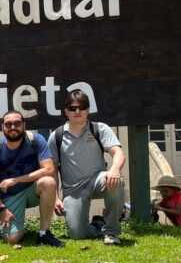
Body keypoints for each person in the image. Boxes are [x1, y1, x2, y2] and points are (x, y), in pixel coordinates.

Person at [48, 90, 126, 245]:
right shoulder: (56, 136)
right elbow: (52, 170)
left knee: (116, 181)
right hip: (73, 190)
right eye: (72, 108)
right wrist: (55, 197)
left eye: (82, 107)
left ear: (88, 110)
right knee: (77, 234)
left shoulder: (99, 129)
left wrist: (115, 169)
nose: (77, 111)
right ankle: (98, 225)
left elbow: (118, 152)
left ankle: (111, 232)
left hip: (97, 180)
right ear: (66, 111)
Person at [0, 110, 63, 247]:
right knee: (12, 239)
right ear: (2, 127)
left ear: (24, 125)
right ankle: (10, 229)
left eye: (17, 123)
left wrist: (16, 180)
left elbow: (49, 169)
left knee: (48, 182)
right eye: (8, 124)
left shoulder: (35, 140)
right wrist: (2, 208)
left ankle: (44, 233)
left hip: (33, 189)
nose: (13, 127)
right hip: (11, 195)